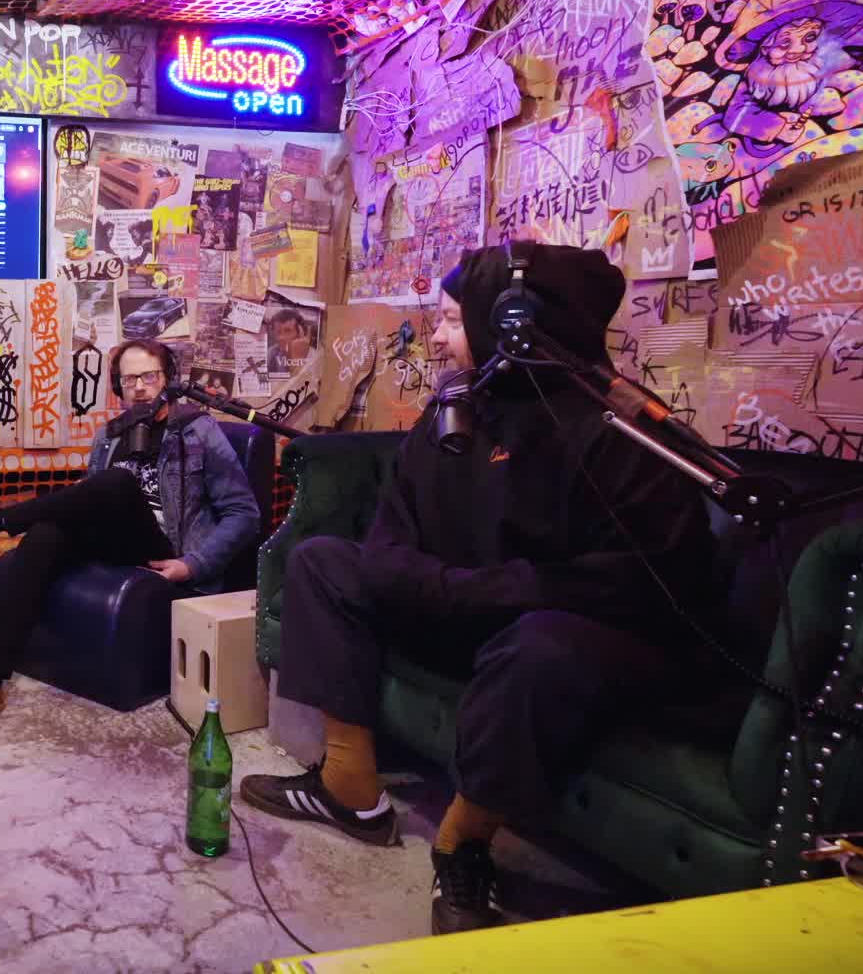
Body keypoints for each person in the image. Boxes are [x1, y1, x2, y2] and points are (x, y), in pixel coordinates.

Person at [240, 243, 719, 934]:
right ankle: (348, 788)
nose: (436, 337)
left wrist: (464, 590)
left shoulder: (620, 430)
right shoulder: (455, 411)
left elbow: (630, 585)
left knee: (541, 646)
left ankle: (462, 845)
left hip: (541, 637)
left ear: (517, 324)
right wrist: (437, 585)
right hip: (456, 608)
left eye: (451, 321)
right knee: (321, 561)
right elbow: (390, 536)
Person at [0, 339, 262, 742]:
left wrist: (193, 564)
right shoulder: (109, 435)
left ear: (168, 380)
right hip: (118, 542)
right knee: (45, 534)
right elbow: (90, 502)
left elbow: (244, 513)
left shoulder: (198, 431)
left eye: (149, 377)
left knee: (117, 482)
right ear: (118, 386)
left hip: (166, 552)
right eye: (129, 380)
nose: (139, 387)